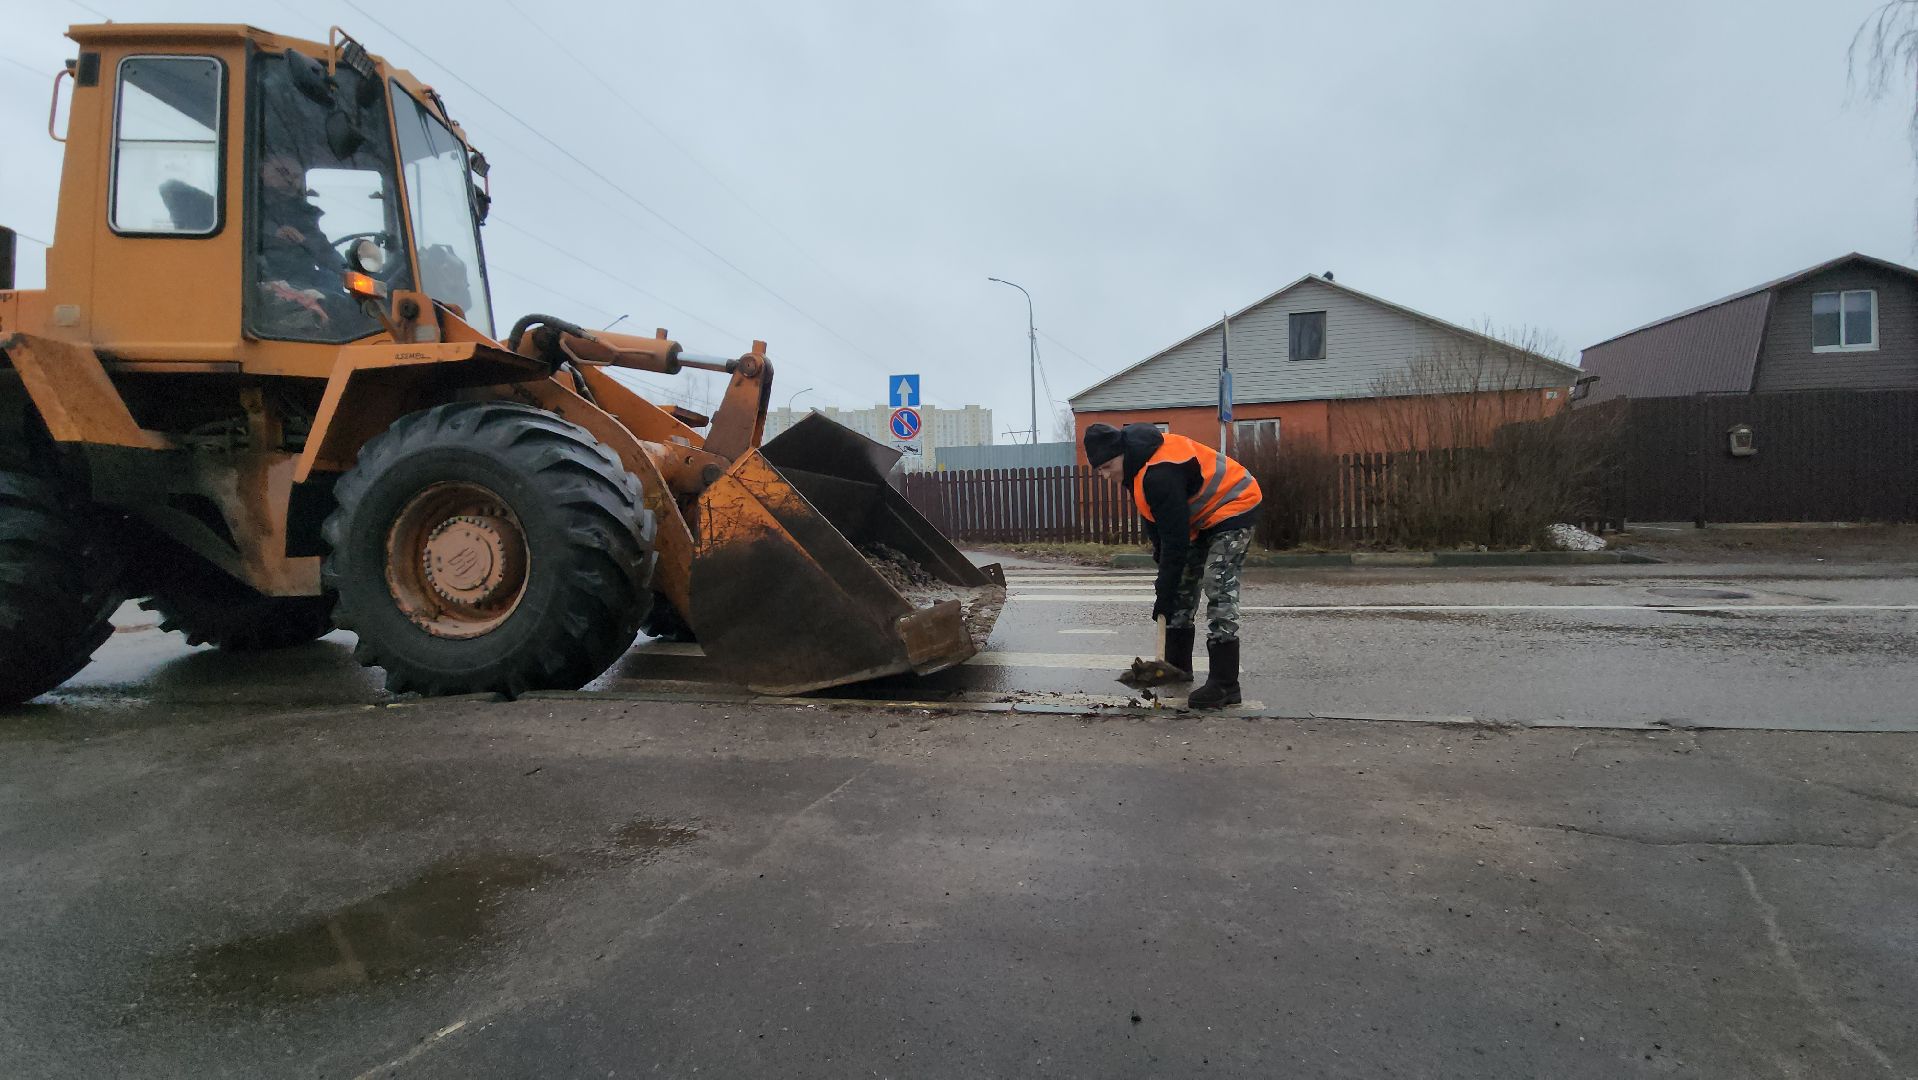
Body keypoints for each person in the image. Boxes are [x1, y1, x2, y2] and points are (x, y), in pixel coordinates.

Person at [1084, 423, 1262, 708]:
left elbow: (1175, 541)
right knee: (1180, 587)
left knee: (1218, 585)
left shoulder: (1159, 473)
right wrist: (1163, 571)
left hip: (1233, 504)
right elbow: (1156, 523)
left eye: (1107, 466)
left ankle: (1226, 685)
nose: (1105, 475)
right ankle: (1178, 669)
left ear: (1122, 454)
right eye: (1099, 470)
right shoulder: (1135, 469)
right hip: (1200, 518)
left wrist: (1163, 593)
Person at [256, 153, 347, 330]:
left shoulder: (302, 212)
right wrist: (274, 235)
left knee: (339, 292)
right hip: (266, 278)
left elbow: (323, 248)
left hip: (302, 277)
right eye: (282, 172)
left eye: (297, 176)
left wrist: (349, 271)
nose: (290, 180)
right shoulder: (248, 204)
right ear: (262, 171)